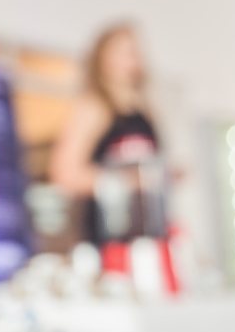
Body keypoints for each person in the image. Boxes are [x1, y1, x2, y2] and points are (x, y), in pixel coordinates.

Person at [49, 21, 160, 242]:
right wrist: (126, 181)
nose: (133, 58)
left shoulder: (145, 108)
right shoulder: (93, 107)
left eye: (135, 51)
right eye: (124, 52)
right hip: (109, 238)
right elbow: (64, 174)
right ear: (103, 59)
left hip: (149, 234)